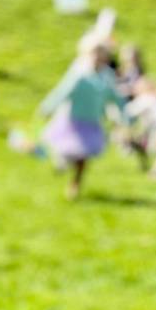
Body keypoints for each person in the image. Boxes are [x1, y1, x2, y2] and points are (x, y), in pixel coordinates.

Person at [39, 42, 126, 199]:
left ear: (106, 58)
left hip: (92, 120)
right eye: (94, 55)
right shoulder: (79, 72)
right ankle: (62, 161)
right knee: (66, 147)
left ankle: (75, 184)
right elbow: (62, 90)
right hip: (72, 118)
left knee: (83, 156)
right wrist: (48, 107)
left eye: (101, 56)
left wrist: (124, 116)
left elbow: (115, 97)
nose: (97, 59)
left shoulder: (107, 76)